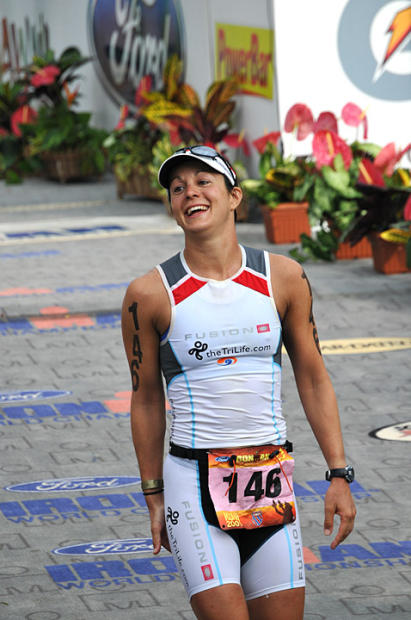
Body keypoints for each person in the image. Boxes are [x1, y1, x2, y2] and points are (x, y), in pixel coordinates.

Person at [121, 145, 356, 619]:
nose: (190, 193)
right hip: (193, 486)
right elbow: (145, 400)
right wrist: (153, 494)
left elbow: (313, 378)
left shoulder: (283, 277)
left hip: (269, 483)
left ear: (234, 197)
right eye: (178, 188)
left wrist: (338, 474)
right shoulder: (149, 294)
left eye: (203, 182)